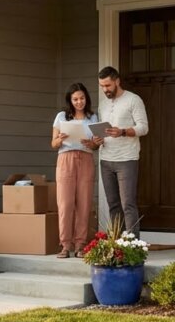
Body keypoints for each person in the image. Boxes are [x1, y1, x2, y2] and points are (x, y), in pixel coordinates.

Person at [93, 66, 148, 236]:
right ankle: (116, 245)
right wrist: (97, 140)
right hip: (106, 159)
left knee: (128, 204)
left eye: (108, 85)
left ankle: (133, 246)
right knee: (113, 204)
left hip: (127, 159)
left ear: (117, 81)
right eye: (102, 86)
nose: (105, 90)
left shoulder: (133, 100)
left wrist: (122, 131)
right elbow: (103, 131)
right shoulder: (102, 105)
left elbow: (144, 128)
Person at [51, 83, 99, 258]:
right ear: (70, 100)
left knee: (84, 203)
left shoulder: (93, 117)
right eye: (75, 99)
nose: (79, 102)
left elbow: (96, 144)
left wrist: (92, 143)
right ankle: (65, 245)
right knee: (65, 203)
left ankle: (80, 245)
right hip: (66, 159)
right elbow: (53, 143)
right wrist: (60, 139)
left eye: (82, 98)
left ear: (87, 98)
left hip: (86, 158)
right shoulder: (62, 116)